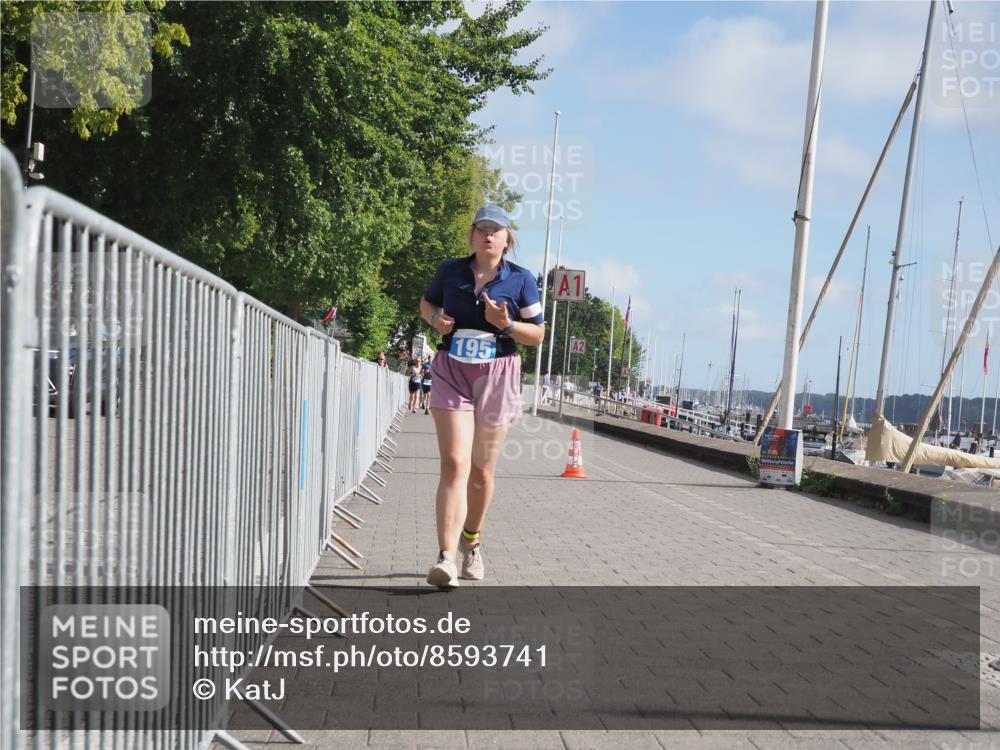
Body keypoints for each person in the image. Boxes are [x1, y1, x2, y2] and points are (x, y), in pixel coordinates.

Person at [419, 205, 545, 588]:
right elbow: (427, 304)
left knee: (481, 472)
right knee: (455, 463)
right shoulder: (450, 271)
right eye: (483, 229)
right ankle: (445, 558)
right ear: (472, 235)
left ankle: (470, 542)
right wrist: (434, 320)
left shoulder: (521, 279)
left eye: (497, 230)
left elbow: (537, 335)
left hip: (498, 371)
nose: (489, 235)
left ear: (508, 240)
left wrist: (506, 324)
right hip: (452, 367)